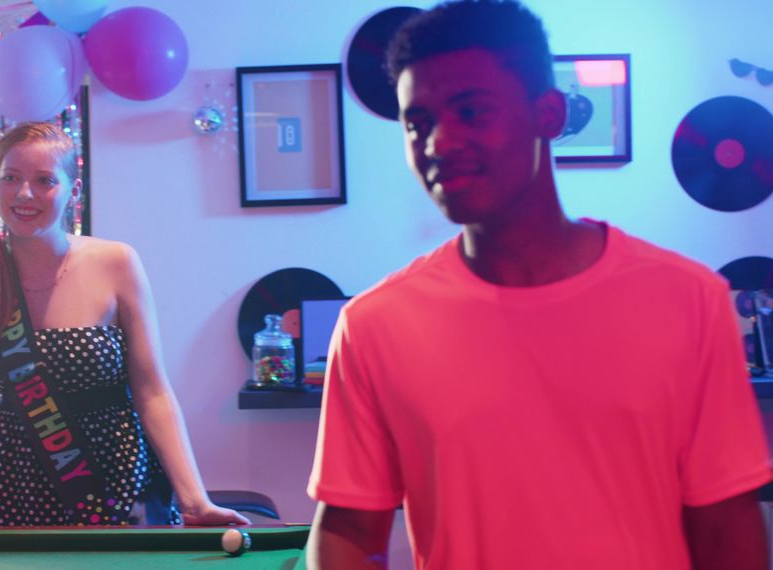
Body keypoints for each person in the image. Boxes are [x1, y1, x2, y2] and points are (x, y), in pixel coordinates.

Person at [306, 1, 772, 568]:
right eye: (417, 123)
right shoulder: (374, 326)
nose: (438, 143)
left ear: (549, 114)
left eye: (471, 111)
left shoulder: (688, 300)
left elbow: (725, 526)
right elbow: (350, 529)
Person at [0, 122, 247, 528]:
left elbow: (152, 391)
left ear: (73, 191)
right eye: (11, 178)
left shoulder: (117, 262)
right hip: (10, 485)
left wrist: (195, 501)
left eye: (44, 181)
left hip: (112, 481)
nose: (24, 193)